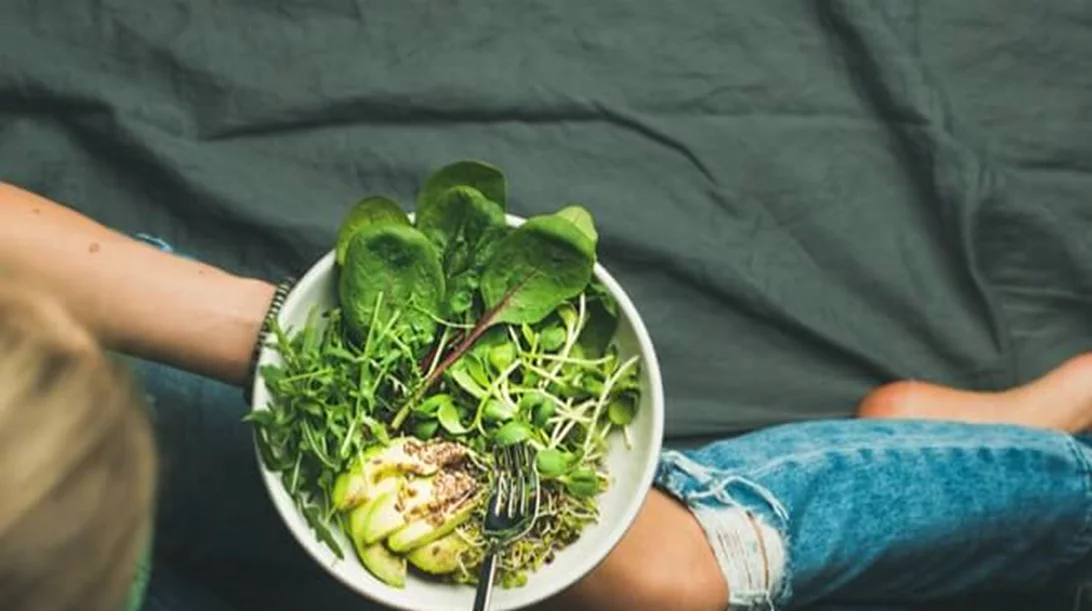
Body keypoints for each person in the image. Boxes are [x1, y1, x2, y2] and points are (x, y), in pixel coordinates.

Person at [3, 181, 1092, 611]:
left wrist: (284, 339)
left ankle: (1001, 470)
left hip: (89, 366)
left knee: (671, 577)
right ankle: (938, 449)